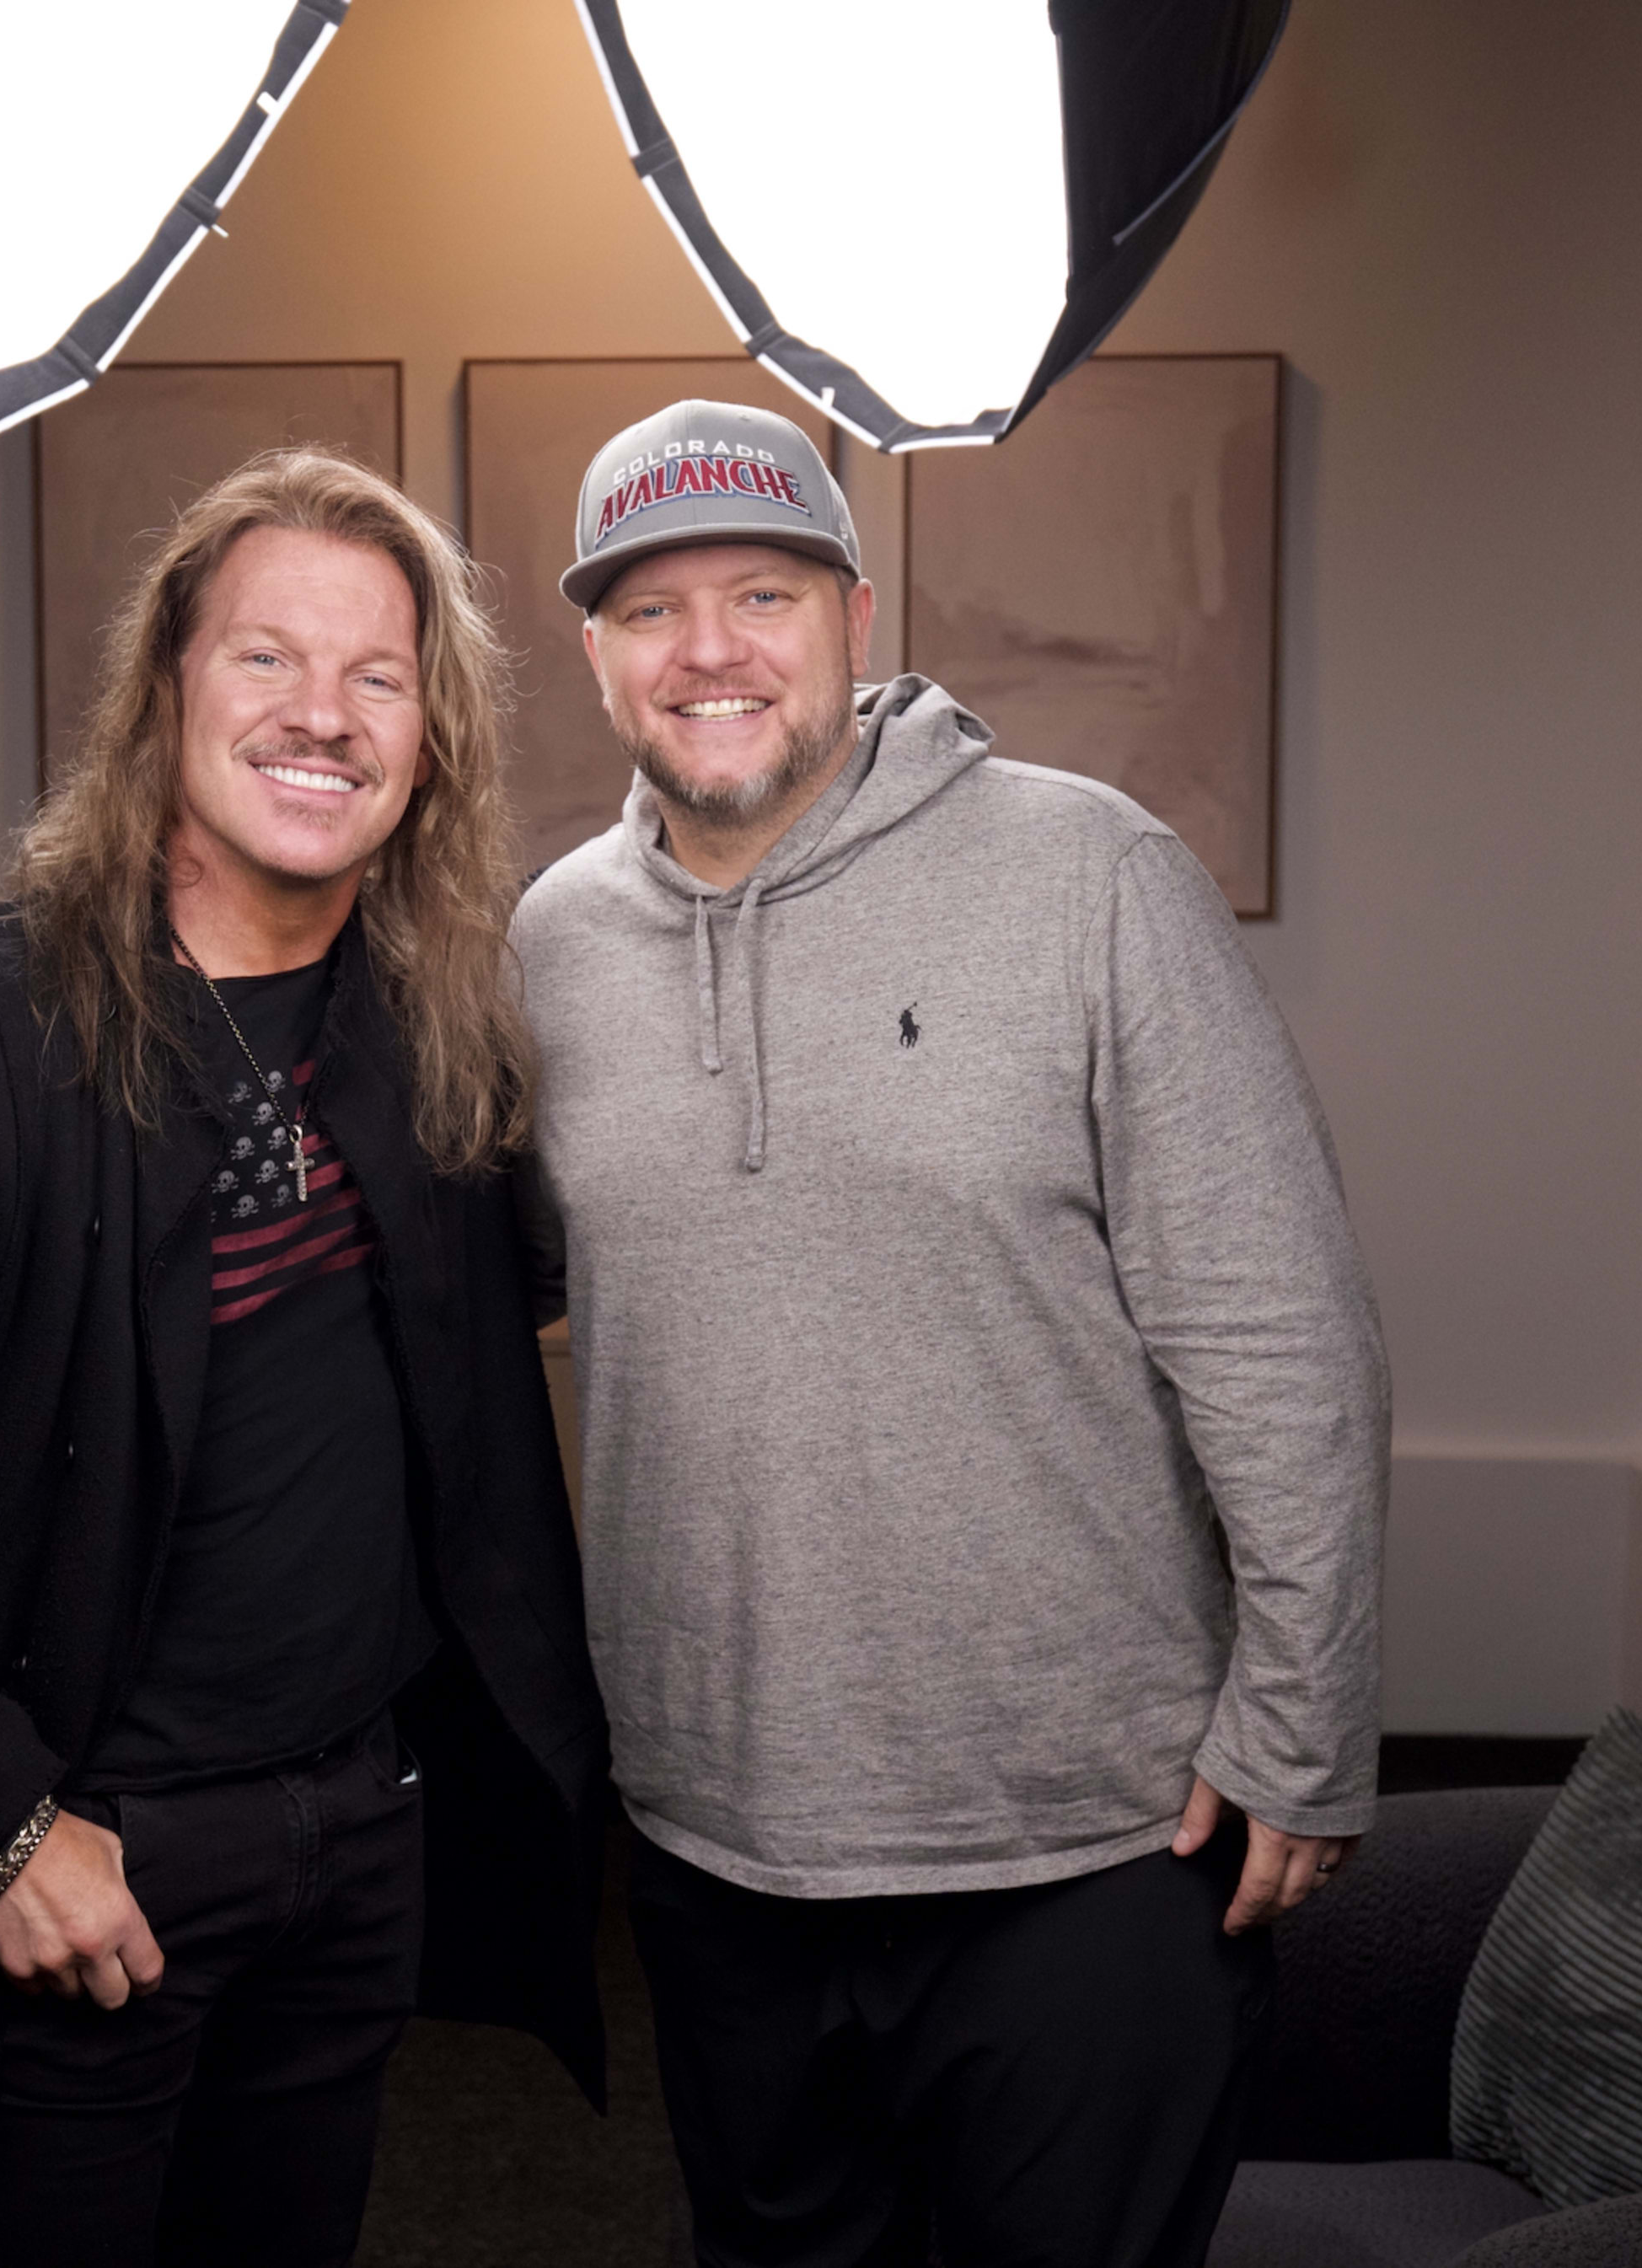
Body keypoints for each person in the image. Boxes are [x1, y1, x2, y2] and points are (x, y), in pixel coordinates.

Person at [0, 448, 607, 2268]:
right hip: (69, 1860)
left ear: (429, 738)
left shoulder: (433, 1045)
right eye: (267, 658)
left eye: (377, 676)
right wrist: (4, 1835)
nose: (322, 717)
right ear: (166, 693)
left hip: (348, 1842)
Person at [511, 399, 1389, 2268]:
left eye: (762, 591)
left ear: (853, 605)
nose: (711, 651)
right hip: (714, 1839)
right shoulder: (550, 946)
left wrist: (1304, 1723)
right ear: (593, 653)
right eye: (651, 610)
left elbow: (1278, 1327)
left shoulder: (1090, 875)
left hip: (1090, 1843)